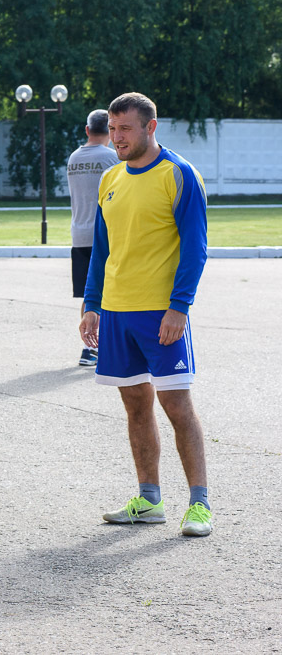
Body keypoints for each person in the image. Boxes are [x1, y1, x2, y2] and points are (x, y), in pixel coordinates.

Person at [79, 92, 213, 538]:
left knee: (176, 404)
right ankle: (149, 500)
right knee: (135, 404)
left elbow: (195, 247)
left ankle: (199, 505)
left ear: (150, 127)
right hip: (116, 312)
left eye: (125, 129)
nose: (117, 137)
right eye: (113, 129)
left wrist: (179, 307)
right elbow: (102, 249)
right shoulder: (110, 177)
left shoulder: (179, 174)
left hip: (160, 313)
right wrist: (92, 304)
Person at [66, 109, 119, 366]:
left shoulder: (74, 158)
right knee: (110, 292)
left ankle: (89, 348)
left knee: (90, 294)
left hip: (79, 234)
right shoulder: (113, 158)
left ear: (87, 130)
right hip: (105, 234)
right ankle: (108, 345)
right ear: (111, 130)